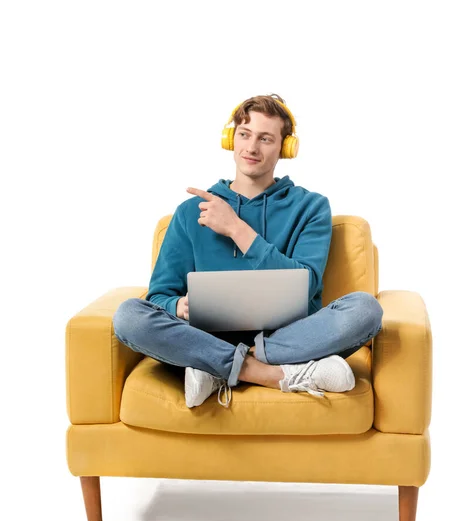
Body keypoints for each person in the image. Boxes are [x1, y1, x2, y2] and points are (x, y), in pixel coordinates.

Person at [113, 94, 383, 409]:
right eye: (244, 135)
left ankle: (217, 368)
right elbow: (158, 298)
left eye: (265, 138)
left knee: (365, 310)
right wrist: (180, 306)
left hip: (288, 338)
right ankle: (268, 374)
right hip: (204, 335)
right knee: (129, 316)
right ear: (231, 139)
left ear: (285, 148)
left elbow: (306, 284)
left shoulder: (311, 207)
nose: (251, 148)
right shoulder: (191, 211)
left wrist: (236, 229)